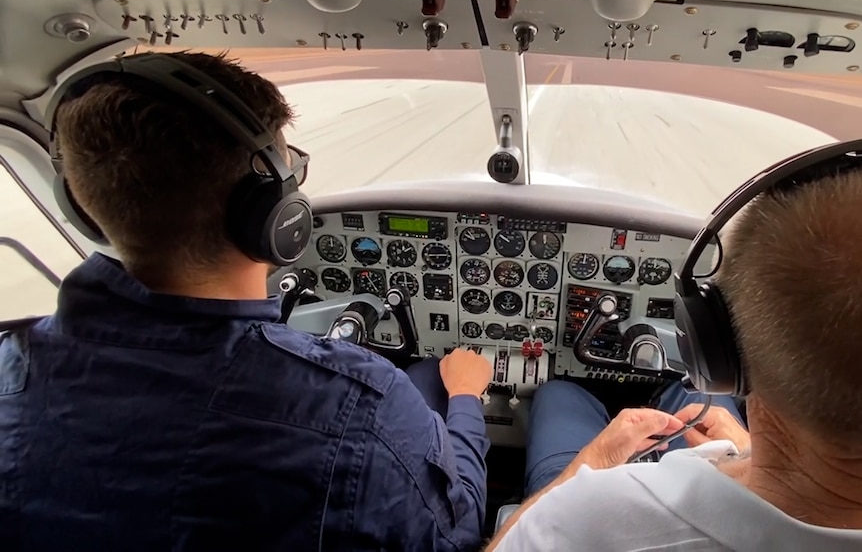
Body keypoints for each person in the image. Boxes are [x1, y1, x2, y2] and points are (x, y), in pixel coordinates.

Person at [0, 51, 493, 551]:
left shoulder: (7, 367)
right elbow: (457, 535)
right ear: (275, 215)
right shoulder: (362, 407)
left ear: (81, 208)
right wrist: (468, 396)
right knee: (443, 378)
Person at [488, 167, 862, 550]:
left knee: (559, 394)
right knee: (691, 398)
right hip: (731, 453)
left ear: (719, 348)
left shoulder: (577, 517)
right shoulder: (732, 440)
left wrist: (592, 461)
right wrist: (751, 449)